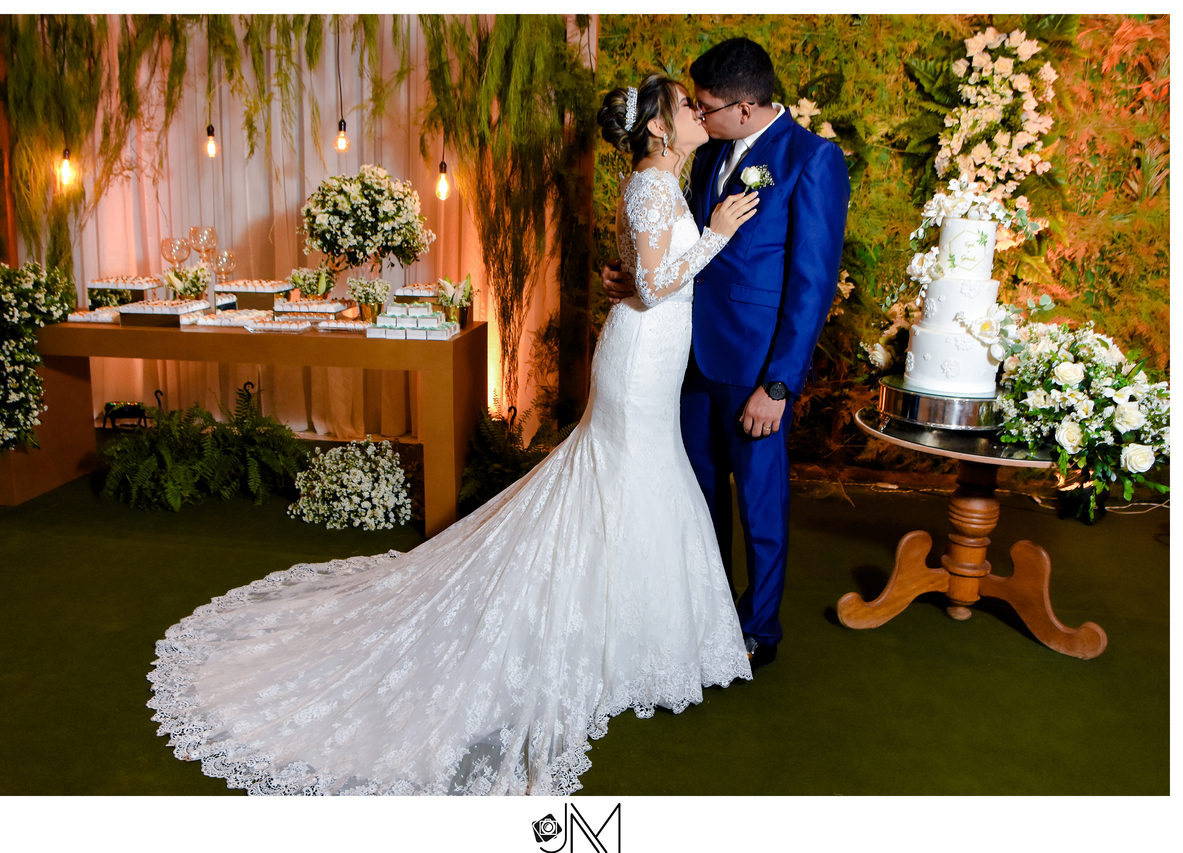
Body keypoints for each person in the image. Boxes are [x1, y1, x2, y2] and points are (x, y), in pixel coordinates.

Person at [147, 73, 760, 796]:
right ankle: (619, 642)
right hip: (641, 356)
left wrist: (644, 268)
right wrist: (717, 236)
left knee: (636, 479)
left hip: (651, 352)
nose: (696, 112)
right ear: (657, 127)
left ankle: (633, 639)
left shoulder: (658, 183)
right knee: (627, 474)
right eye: (684, 105)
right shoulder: (654, 185)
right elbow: (656, 286)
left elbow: (643, 277)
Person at [603, 38, 851, 671]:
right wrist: (635, 278)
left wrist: (779, 384)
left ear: (744, 108)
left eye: (705, 106)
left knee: (759, 503)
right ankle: (705, 615)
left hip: (754, 368)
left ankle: (759, 628)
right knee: (697, 493)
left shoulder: (811, 159)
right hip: (683, 357)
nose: (696, 114)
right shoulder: (707, 151)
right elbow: (677, 247)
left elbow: (812, 285)